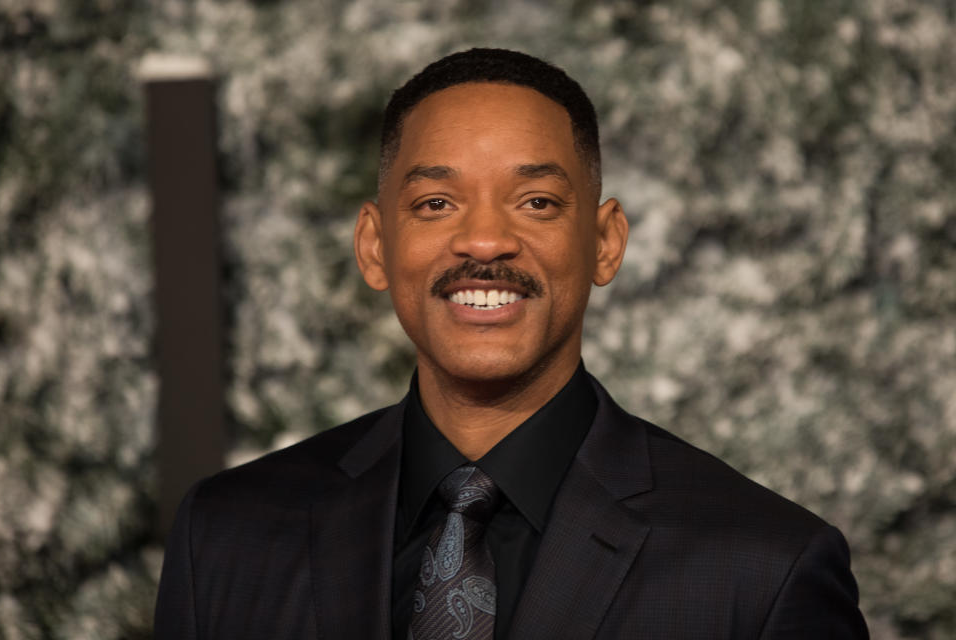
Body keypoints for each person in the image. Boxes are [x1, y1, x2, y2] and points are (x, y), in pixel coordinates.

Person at [154, 48, 868, 639]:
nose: (485, 241)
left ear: (604, 242)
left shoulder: (763, 568)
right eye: (436, 203)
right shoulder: (226, 535)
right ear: (375, 247)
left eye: (537, 203)